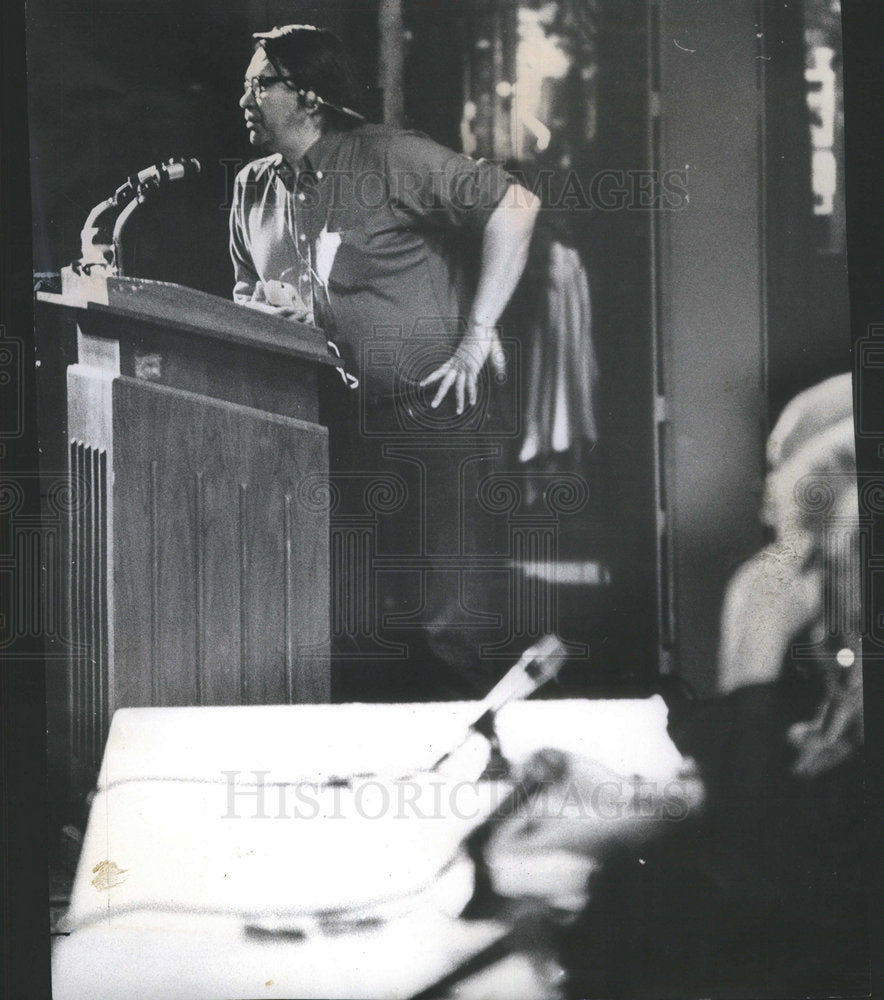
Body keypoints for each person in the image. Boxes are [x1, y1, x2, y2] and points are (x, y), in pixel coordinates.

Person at [229, 25, 541, 699]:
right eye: (247, 84)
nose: (245, 98)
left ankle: (476, 775)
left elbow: (514, 205)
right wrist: (270, 318)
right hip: (326, 429)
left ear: (309, 96)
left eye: (261, 83)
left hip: (433, 421)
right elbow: (246, 295)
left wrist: (476, 334)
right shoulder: (252, 189)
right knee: (354, 623)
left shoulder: (387, 157)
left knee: (449, 623)